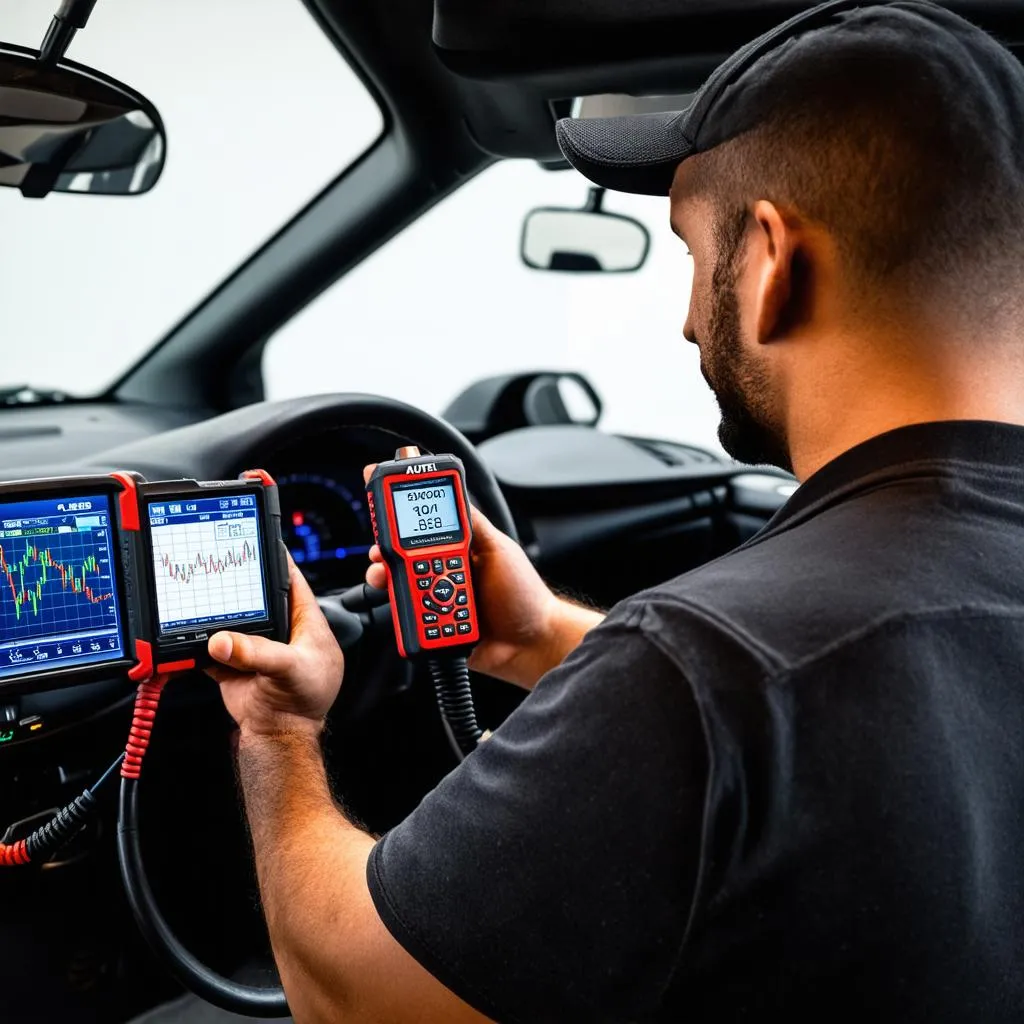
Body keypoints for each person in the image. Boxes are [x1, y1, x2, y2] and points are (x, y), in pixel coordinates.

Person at [164, 1, 1024, 1020]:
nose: (681, 317)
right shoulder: (724, 672)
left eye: (694, 254)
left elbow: (350, 994)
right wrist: (541, 638)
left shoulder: (701, 662)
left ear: (770, 264)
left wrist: (277, 729)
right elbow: (852, 728)